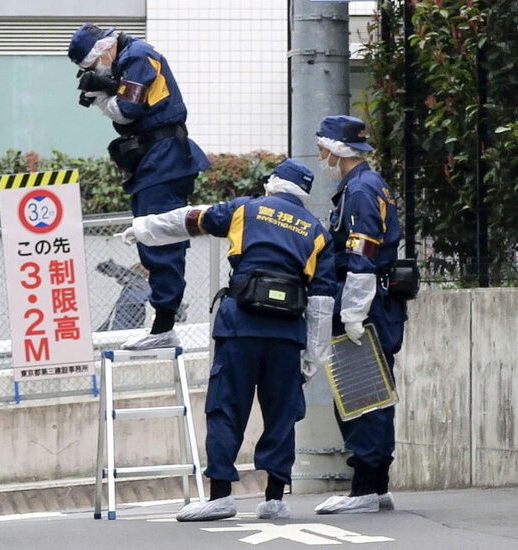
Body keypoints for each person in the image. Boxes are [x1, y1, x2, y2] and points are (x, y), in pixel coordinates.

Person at [116, 159, 336, 521]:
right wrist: (314, 355)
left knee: (226, 409)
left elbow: (190, 219)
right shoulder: (316, 231)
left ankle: (220, 496)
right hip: (286, 335)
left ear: (273, 184)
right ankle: (274, 498)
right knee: (281, 414)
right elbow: (322, 300)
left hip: (241, 328)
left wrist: (143, 229)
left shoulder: (246, 210)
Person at [68, 23, 209, 350]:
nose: (94, 71)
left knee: (161, 237)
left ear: (102, 51)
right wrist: (106, 89)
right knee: (151, 237)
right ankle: (162, 324)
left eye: (92, 66)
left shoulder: (138, 56)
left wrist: (103, 93)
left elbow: (126, 111)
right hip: (155, 160)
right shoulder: (127, 58)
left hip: (164, 160)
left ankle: (163, 325)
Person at [310, 115, 408, 514]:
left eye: (322, 150)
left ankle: (364, 488)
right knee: (376, 396)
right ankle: (376, 485)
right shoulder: (368, 185)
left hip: (365, 305)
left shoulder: (361, 191)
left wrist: (352, 313)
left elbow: (361, 257)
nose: (320, 157)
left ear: (336, 151)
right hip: (378, 304)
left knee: (360, 395)